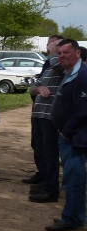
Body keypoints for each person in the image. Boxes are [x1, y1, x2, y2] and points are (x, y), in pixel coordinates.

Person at [46, 39, 87, 231]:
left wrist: (67, 132)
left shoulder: (82, 75)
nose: (62, 56)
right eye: (59, 53)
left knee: (73, 180)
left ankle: (70, 219)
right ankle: (77, 216)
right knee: (74, 178)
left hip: (75, 138)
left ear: (77, 54)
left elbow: (82, 110)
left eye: (66, 52)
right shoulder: (70, 73)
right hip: (69, 136)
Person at [26, 36, 66, 203]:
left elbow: (56, 63)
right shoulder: (49, 68)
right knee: (40, 151)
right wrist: (38, 88)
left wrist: (54, 50)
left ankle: (51, 190)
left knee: (49, 154)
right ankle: (45, 183)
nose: (49, 47)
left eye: (52, 45)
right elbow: (31, 88)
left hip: (49, 116)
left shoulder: (58, 65)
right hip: (39, 115)